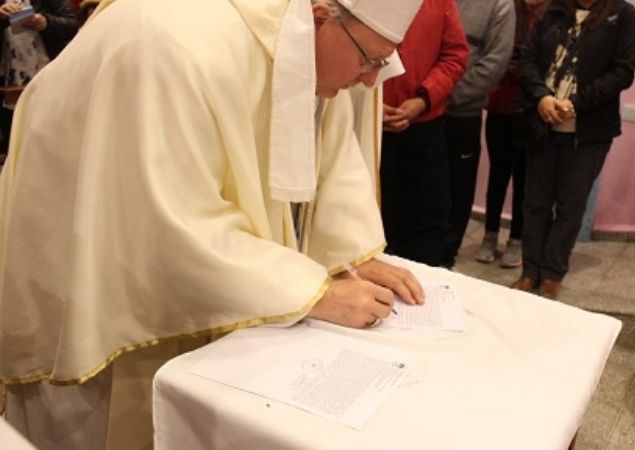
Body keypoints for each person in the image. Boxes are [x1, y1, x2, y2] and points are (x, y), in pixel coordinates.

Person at [0, 0, 426, 448]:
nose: (372, 78)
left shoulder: (305, 39)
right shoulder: (173, 44)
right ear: (320, 17)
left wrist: (346, 254)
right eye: (371, 60)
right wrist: (313, 293)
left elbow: (327, 149)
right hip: (96, 279)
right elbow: (165, 222)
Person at [511, 0, 635, 299]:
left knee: (570, 206)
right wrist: (542, 97)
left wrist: (575, 104)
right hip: (542, 126)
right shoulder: (554, 9)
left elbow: (623, 72)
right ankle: (530, 272)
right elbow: (527, 56)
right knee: (535, 203)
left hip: (589, 132)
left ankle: (553, 274)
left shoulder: (623, 14)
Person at [380, 0, 468, 267]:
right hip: (368, 125)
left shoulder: (440, 3)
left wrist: (423, 99)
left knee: (429, 215)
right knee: (372, 212)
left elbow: (455, 55)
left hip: (425, 124)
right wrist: (368, 101)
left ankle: (424, 288)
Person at [439, 0, 515, 269]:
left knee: (456, 195)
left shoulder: (499, 5)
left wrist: (438, 98)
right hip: (417, 112)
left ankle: (444, 261)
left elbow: (494, 64)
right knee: (415, 190)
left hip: (460, 114)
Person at [476, 0, 548, 268]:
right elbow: (493, 54)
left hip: (532, 110)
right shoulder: (506, 9)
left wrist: (521, 69)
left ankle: (517, 241)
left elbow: (545, 64)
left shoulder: (551, 15)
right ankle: (489, 235)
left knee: (524, 179)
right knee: (498, 174)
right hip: (499, 105)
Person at [0, 0, 79, 163]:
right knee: (14, 142)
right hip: (8, 81)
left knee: (50, 135)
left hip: (48, 72)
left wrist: (46, 22)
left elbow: (73, 25)